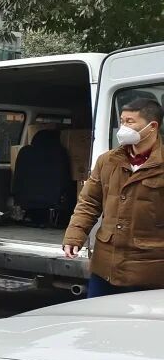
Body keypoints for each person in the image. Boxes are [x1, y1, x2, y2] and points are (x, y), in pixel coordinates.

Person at [62, 97, 163, 297]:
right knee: (97, 314)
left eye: (130, 122)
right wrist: (75, 236)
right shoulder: (108, 161)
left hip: (148, 267)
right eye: (122, 121)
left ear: (152, 127)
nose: (123, 127)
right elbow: (88, 202)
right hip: (106, 264)